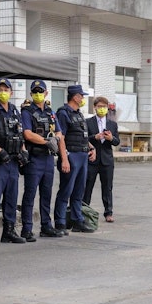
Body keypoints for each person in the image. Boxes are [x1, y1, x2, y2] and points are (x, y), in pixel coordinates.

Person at [0, 78, 28, 245]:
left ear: (11, 92)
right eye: (0, 89)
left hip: (14, 162)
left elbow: (20, 134)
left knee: (11, 197)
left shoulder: (15, 111)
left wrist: (23, 151)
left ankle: (9, 231)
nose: (3, 92)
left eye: (6, 89)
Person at [21, 80, 66, 239]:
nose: (38, 94)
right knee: (30, 194)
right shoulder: (26, 111)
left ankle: (46, 226)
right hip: (34, 158)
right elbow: (27, 133)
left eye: (41, 91)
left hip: (48, 159)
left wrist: (56, 140)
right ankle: (26, 229)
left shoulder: (50, 112)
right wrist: (47, 141)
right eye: (35, 91)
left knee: (46, 194)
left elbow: (59, 132)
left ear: (46, 93)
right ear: (31, 94)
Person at [53, 85, 96, 234]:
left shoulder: (79, 114)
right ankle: (60, 222)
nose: (83, 98)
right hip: (71, 156)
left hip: (82, 155)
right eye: (81, 96)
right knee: (66, 190)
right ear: (75, 97)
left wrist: (91, 148)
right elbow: (60, 138)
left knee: (79, 191)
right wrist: (64, 159)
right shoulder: (63, 113)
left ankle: (77, 220)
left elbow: (82, 136)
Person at [85, 96, 120, 223]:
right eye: (99, 106)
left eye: (104, 107)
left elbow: (117, 142)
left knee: (107, 187)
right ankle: (85, 210)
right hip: (92, 159)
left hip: (107, 160)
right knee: (87, 186)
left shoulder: (112, 124)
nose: (102, 109)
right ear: (94, 107)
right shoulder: (88, 122)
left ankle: (108, 212)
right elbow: (85, 138)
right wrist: (95, 137)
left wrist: (110, 138)